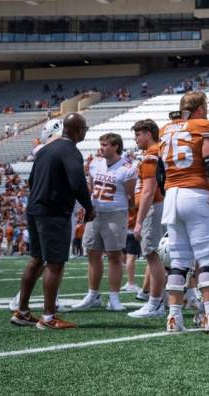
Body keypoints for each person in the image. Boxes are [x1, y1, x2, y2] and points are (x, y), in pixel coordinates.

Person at [159, 91, 209, 333]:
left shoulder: (166, 129)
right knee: (207, 258)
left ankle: (174, 318)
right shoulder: (204, 125)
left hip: (171, 195)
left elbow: (159, 173)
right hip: (195, 194)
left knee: (179, 259)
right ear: (201, 108)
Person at [11, 113, 95, 329]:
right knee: (55, 263)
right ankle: (48, 317)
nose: (85, 131)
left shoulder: (46, 149)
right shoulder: (70, 150)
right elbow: (77, 181)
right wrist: (88, 207)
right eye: (84, 128)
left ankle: (22, 311)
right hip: (53, 212)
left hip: (35, 207)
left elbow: (31, 180)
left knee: (36, 259)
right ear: (76, 130)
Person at [73, 133, 136, 312]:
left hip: (116, 213)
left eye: (106, 144)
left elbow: (131, 196)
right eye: (101, 144)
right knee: (93, 254)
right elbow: (91, 188)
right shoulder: (95, 163)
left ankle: (114, 297)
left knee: (115, 256)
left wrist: (125, 212)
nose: (102, 147)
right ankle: (93, 295)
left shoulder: (127, 167)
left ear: (116, 146)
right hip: (95, 212)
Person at [127, 119, 167, 318]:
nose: (136, 139)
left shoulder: (151, 155)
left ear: (149, 134)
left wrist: (140, 220)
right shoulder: (157, 152)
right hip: (159, 206)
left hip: (154, 207)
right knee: (159, 256)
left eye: (138, 134)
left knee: (153, 255)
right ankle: (163, 299)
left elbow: (149, 191)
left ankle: (155, 303)